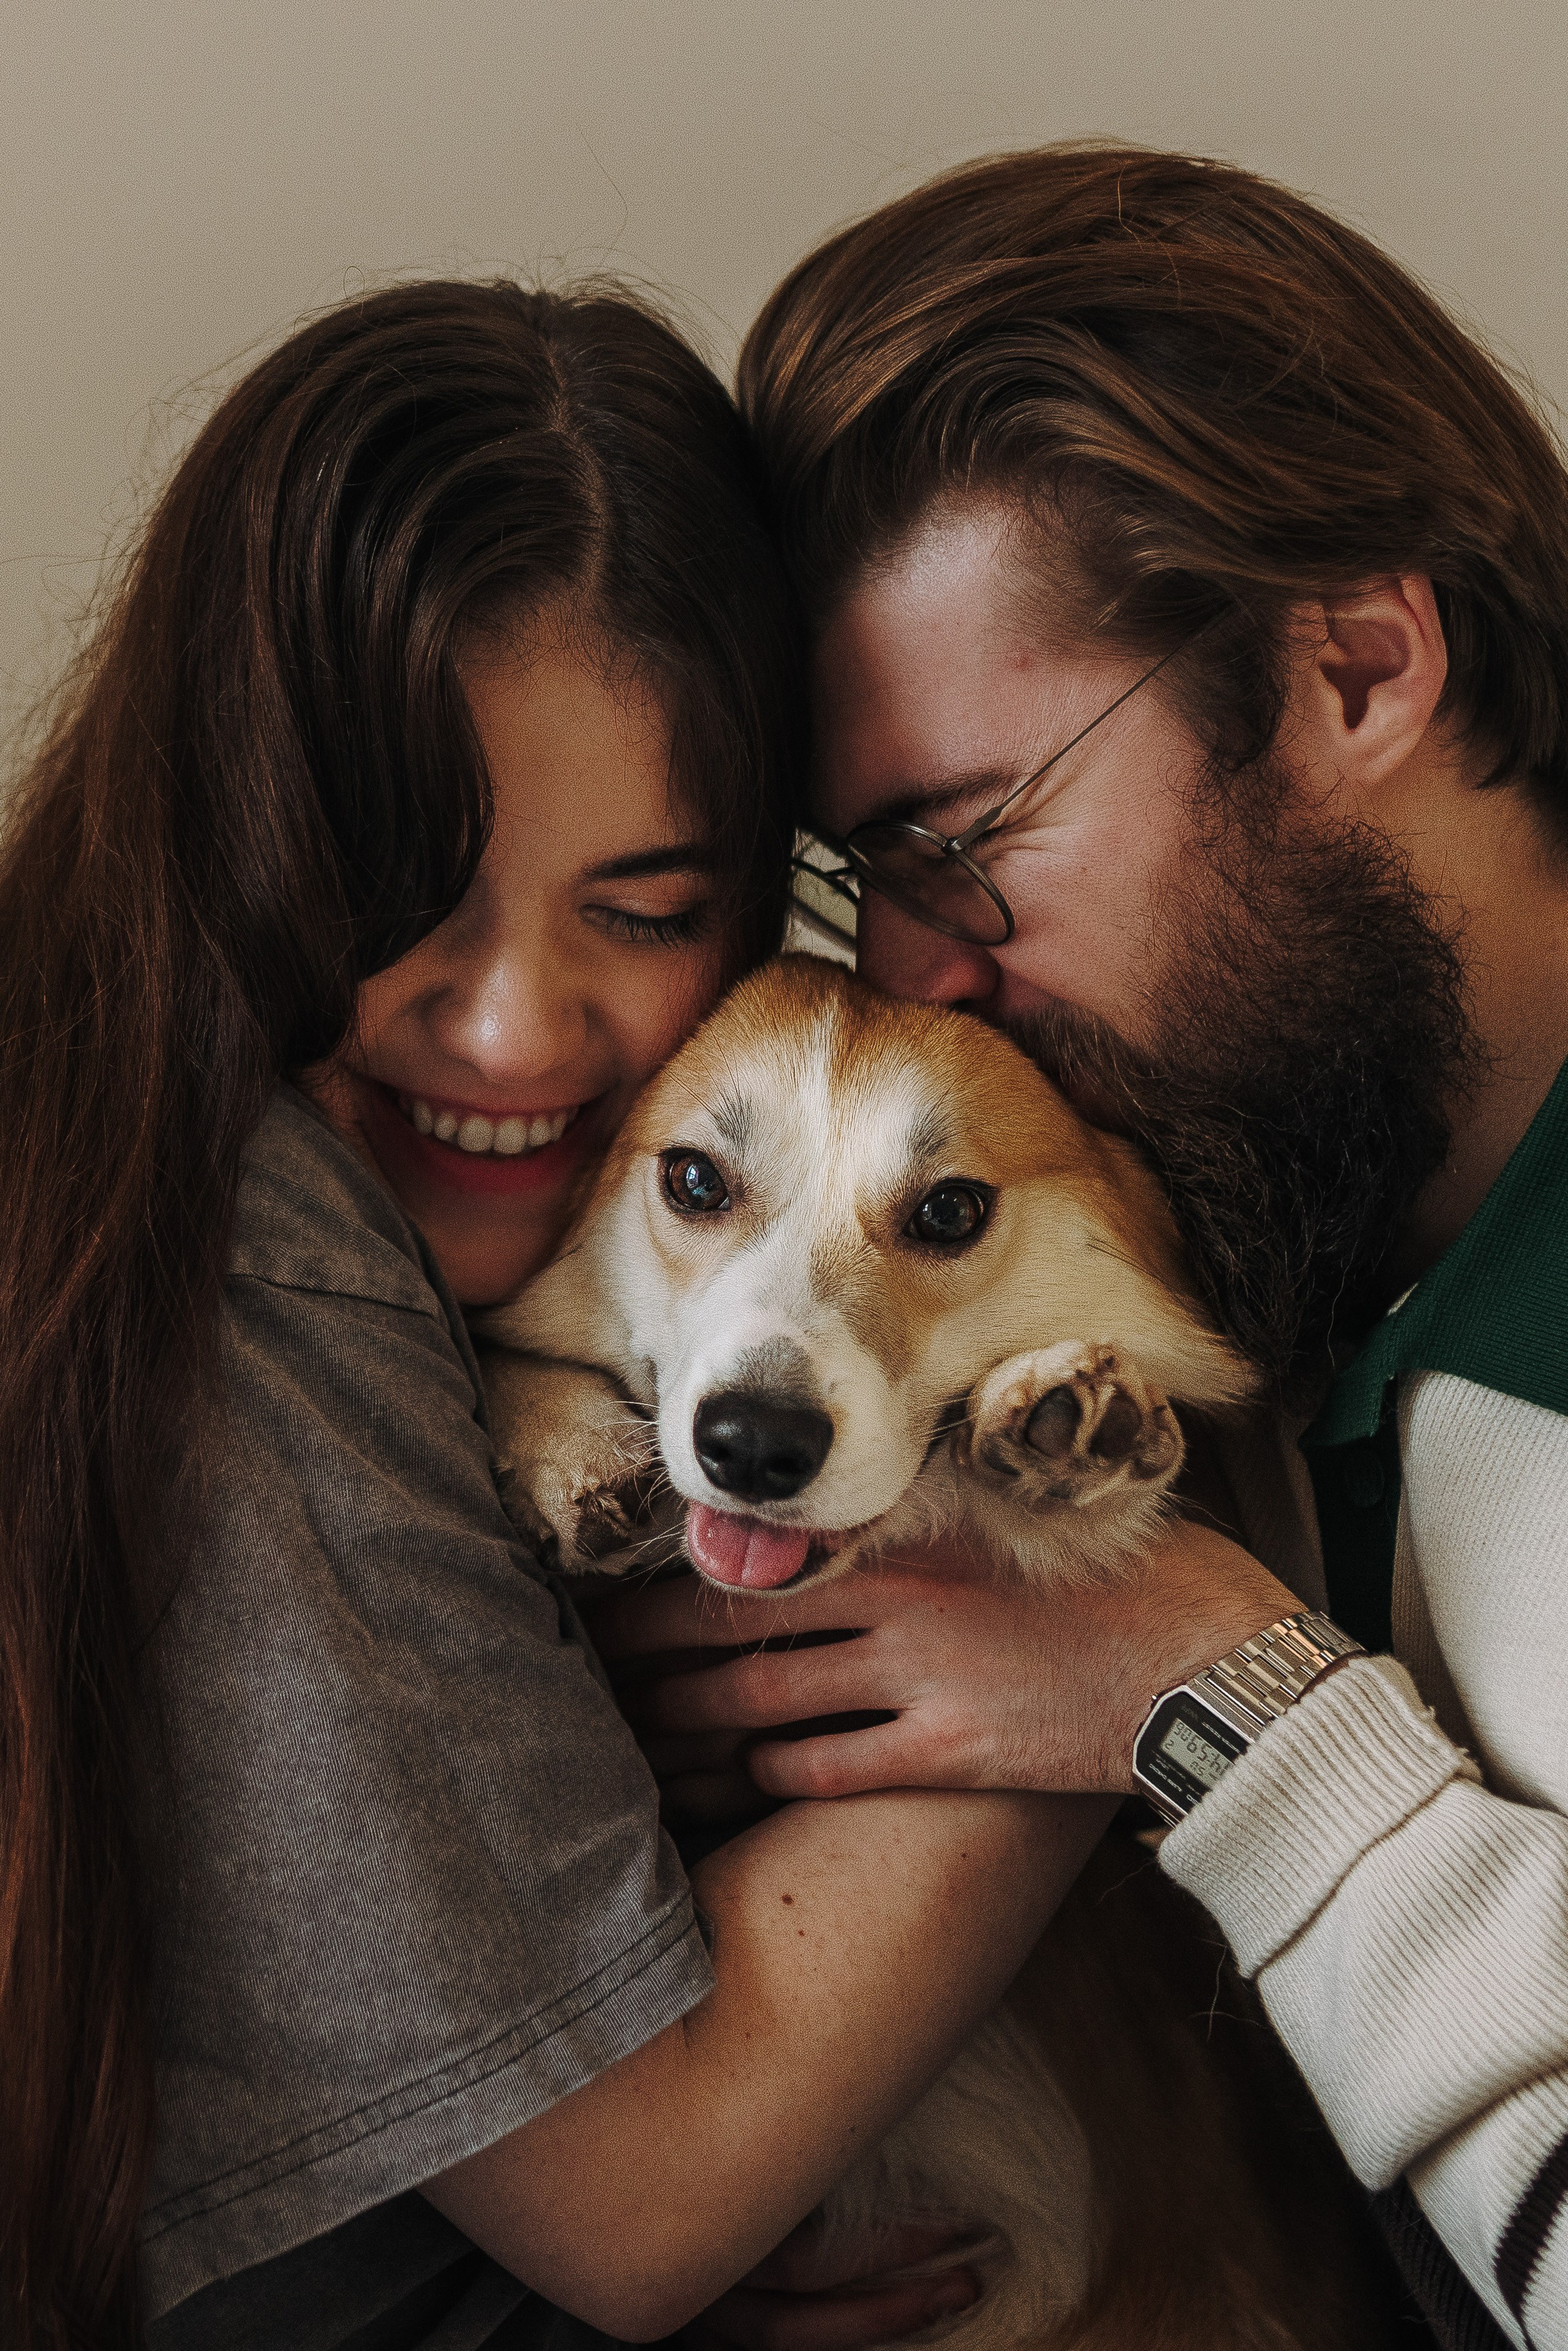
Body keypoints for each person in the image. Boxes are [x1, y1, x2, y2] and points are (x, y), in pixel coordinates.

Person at [0, 278, 1105, 2351]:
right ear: (227, 832)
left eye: (643, 910)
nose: (513, 1027)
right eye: (401, 882)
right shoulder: (245, 1239)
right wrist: (1130, 1657)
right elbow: (645, 2189)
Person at [611, 148, 1568, 2351]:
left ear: (1350, 665)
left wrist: (1213, 1698)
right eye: (876, 885)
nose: (927, 984)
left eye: (968, 844)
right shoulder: (1252, 1227)